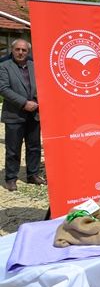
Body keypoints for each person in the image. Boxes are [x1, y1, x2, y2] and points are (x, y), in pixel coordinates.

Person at [0, 39, 43, 190]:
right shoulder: (4, 66)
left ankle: (33, 174)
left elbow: (42, 85)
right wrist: (24, 103)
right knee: (13, 149)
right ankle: (11, 177)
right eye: (17, 49)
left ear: (28, 52)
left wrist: (38, 100)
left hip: (34, 114)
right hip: (14, 114)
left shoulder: (34, 66)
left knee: (34, 147)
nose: (20, 52)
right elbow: (3, 89)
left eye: (24, 50)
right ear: (12, 50)